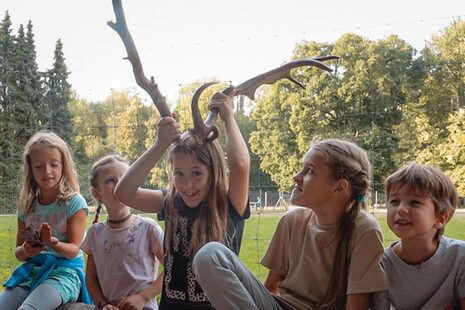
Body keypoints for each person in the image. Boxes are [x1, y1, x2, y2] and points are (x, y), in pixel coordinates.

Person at [192, 138, 388, 310]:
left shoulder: (363, 229)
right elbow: (270, 288)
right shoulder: (292, 220)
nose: (296, 176)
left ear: (339, 187)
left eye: (309, 171)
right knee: (210, 255)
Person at [114, 91, 251, 309]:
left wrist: (229, 119)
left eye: (196, 173)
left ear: (213, 172)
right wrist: (160, 145)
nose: (187, 185)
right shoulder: (170, 202)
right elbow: (123, 192)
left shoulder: (229, 204)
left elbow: (241, 166)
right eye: (179, 174)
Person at [0, 130, 91, 310]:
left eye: (53, 164)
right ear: (31, 170)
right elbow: (19, 253)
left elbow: (74, 250)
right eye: (39, 166)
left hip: (65, 274)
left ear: (63, 165)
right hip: (32, 272)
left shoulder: (74, 203)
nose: (47, 171)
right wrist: (26, 251)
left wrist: (53, 244)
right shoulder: (27, 206)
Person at [371, 162, 465, 309]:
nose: (401, 209)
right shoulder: (382, 265)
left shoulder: (460, 257)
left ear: (440, 218)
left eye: (414, 202)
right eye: (394, 201)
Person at [82, 154, 164, 310]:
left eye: (125, 179)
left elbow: (172, 268)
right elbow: (91, 278)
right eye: (110, 181)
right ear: (96, 193)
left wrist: (143, 297)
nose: (119, 185)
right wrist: (102, 304)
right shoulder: (94, 233)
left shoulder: (148, 228)